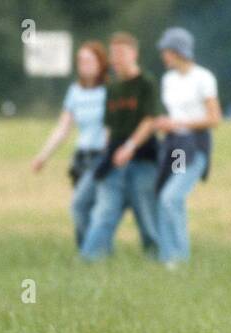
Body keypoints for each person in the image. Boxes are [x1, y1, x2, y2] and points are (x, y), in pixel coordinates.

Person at [79, 33, 161, 261]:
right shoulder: (112, 88)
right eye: (113, 55)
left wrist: (130, 146)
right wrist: (108, 154)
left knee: (146, 214)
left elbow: (150, 120)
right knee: (104, 212)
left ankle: (156, 258)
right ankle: (90, 259)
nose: (116, 60)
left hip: (143, 159)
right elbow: (109, 127)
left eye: (121, 54)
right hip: (114, 160)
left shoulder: (146, 83)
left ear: (134, 54)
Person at [31, 41, 110, 249]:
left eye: (88, 60)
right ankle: (89, 251)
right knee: (85, 207)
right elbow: (63, 128)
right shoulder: (75, 92)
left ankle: (91, 253)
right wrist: (43, 156)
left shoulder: (110, 91)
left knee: (81, 206)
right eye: (80, 60)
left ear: (101, 63)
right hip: (82, 157)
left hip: (102, 156)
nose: (83, 64)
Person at [153, 27, 221, 267]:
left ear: (177, 51)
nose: (163, 55)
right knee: (166, 196)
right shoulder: (168, 80)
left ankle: (179, 257)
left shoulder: (203, 78)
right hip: (174, 145)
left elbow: (214, 118)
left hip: (193, 147)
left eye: (167, 50)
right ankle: (166, 256)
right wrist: (165, 124)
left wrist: (178, 123)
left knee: (171, 197)